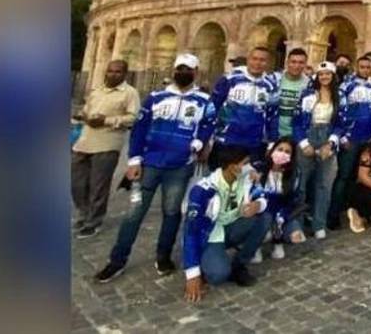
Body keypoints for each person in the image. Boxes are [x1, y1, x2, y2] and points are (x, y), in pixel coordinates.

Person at [96, 53, 216, 283]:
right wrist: (133, 160)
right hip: (150, 163)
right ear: (173, 71)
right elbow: (139, 130)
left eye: (188, 69)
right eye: (180, 68)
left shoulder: (203, 101)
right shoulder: (155, 97)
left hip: (180, 165)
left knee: (171, 213)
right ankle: (117, 260)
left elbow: (208, 124)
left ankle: (163, 256)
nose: (183, 73)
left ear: (196, 72)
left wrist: (199, 142)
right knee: (133, 214)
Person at [181, 146, 269, 302]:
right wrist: (192, 274)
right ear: (232, 167)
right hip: (210, 235)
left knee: (264, 218)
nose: (249, 167)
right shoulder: (203, 190)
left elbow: (262, 195)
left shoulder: (246, 179)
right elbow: (191, 231)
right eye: (245, 163)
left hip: (233, 226)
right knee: (218, 275)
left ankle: (239, 265)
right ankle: (204, 262)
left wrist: (258, 205)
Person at [72, 59, 139, 238]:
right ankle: (83, 212)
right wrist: (83, 116)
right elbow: (86, 110)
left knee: (98, 185)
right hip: (85, 141)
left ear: (125, 74)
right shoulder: (97, 91)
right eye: (110, 71)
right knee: (77, 182)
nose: (112, 74)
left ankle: (93, 221)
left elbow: (133, 117)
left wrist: (107, 120)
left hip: (108, 143)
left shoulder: (130, 93)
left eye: (117, 72)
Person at [329, 55, 371, 229]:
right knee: (343, 176)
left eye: (368, 67)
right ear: (357, 67)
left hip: (368, 140)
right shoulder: (346, 86)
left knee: (358, 177)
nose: (365, 69)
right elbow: (340, 111)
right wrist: (343, 136)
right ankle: (334, 213)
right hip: (350, 139)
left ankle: (352, 210)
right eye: (362, 67)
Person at [292, 61, 342, 239]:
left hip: (327, 137)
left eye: (328, 74)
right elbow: (296, 121)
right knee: (301, 184)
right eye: (321, 74)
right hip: (309, 134)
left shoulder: (339, 96)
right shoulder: (307, 95)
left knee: (324, 185)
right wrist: (303, 143)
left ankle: (318, 223)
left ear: (333, 76)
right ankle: (295, 224)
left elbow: (340, 124)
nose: (324, 77)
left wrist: (331, 144)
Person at [209, 46, 279, 166]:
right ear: (248, 60)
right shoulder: (229, 79)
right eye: (254, 59)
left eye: (262, 60)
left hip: (255, 144)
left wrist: (272, 142)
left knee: (246, 182)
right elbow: (213, 107)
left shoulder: (271, 86)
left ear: (268, 63)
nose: (257, 63)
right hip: (226, 140)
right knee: (219, 181)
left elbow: (273, 116)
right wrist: (208, 139)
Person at [258, 137, 305, 260]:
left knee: (296, 236)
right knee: (264, 232)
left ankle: (278, 242)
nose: (282, 153)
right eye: (280, 149)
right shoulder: (260, 169)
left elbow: (294, 200)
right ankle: (255, 246)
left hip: (282, 214)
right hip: (261, 214)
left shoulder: (295, 174)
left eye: (287, 152)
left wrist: (282, 216)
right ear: (273, 150)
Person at [274, 48, 310, 139]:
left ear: (305, 64)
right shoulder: (275, 80)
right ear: (287, 62)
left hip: (298, 136)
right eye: (293, 62)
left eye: (301, 62)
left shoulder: (310, 84)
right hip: (274, 134)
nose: (296, 66)